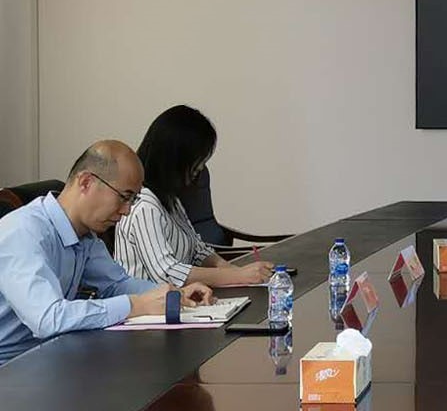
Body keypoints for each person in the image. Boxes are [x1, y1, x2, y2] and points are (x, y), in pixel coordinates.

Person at [0, 141, 214, 365]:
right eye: (124, 197)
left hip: (47, 357)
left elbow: (116, 284)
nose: (127, 210)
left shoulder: (84, 235)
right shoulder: (23, 232)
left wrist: (173, 294)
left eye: (133, 200)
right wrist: (134, 305)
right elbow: (48, 318)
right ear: (86, 182)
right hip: (10, 369)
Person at [115, 106, 272, 287]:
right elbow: (168, 273)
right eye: (198, 160)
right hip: (149, 302)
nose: (200, 168)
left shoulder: (170, 199)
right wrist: (238, 276)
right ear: (177, 159)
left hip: (180, 297)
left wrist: (231, 269)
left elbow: (197, 249)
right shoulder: (143, 205)